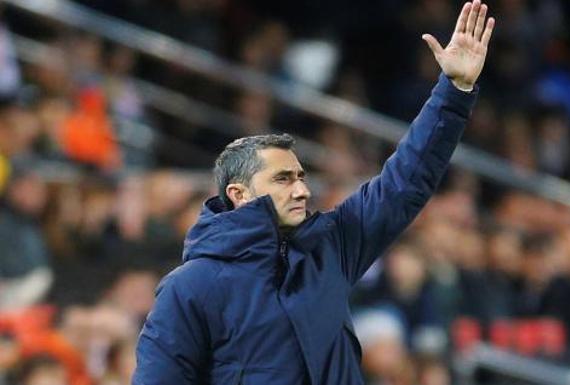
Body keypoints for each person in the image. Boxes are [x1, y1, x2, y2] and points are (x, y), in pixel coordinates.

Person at [133, 1, 495, 384]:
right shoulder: (191, 286)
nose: (303, 189)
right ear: (239, 193)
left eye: (301, 176)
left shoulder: (330, 246)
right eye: (283, 179)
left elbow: (403, 184)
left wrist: (454, 90)